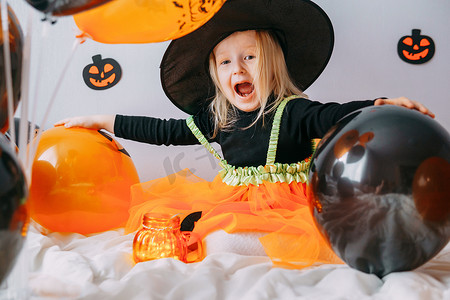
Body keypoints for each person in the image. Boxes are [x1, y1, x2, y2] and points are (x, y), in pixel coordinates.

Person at [55, 0, 434, 267]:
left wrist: (381, 104)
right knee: (207, 229)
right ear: (217, 76)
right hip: (234, 201)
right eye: (225, 62)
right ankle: (216, 240)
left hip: (290, 206)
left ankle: (249, 244)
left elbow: (337, 116)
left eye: (249, 57)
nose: (237, 69)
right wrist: (104, 119)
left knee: (255, 239)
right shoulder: (219, 117)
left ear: (272, 63)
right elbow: (163, 130)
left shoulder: (295, 111)